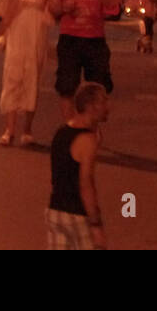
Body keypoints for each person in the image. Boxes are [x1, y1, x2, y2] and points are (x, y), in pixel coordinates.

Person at [48, 0, 121, 120]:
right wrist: (65, 7)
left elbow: (112, 2)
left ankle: (91, 126)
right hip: (70, 36)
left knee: (98, 85)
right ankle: (70, 125)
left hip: (94, 37)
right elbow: (53, 7)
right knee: (67, 85)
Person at [0, 0, 55, 146]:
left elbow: (52, 7)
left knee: (32, 77)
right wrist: (2, 34)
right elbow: (8, 11)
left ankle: (27, 129)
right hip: (17, 32)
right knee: (12, 76)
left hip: (36, 32)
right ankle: (9, 129)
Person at [46, 81, 109, 250]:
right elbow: (86, 184)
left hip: (55, 212)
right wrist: (96, 223)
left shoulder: (61, 133)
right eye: (103, 102)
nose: (107, 107)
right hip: (77, 216)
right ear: (92, 106)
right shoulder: (87, 141)